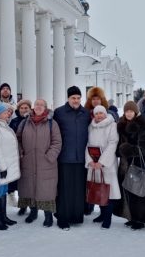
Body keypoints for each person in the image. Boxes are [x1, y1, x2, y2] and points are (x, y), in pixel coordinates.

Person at [17, 99, 62, 227]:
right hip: (28, 162)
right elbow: (18, 139)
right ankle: (33, 212)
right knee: (30, 187)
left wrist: (50, 157)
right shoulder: (25, 122)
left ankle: (48, 216)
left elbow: (57, 142)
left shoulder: (51, 123)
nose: (38, 107)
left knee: (46, 190)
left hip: (46, 163)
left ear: (46, 108)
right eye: (36, 104)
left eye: (41, 105)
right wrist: (21, 153)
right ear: (33, 107)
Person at [53, 86, 91, 230]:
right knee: (64, 190)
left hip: (82, 158)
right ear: (68, 98)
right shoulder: (59, 112)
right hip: (64, 157)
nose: (76, 100)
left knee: (79, 189)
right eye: (73, 98)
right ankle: (63, 218)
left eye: (78, 98)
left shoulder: (86, 113)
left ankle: (76, 216)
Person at [114, 101, 145, 230]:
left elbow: (144, 147)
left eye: (131, 111)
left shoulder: (142, 124)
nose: (129, 113)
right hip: (125, 164)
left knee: (138, 192)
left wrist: (125, 149)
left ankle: (139, 219)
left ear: (136, 112)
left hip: (137, 163)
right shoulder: (121, 124)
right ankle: (130, 217)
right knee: (127, 191)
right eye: (127, 111)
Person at [85, 106, 121, 229]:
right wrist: (90, 161)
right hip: (94, 165)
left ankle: (107, 218)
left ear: (105, 114)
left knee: (108, 192)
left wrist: (102, 162)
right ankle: (101, 214)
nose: (99, 115)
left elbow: (113, 144)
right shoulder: (91, 126)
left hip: (107, 164)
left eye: (101, 113)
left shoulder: (112, 125)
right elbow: (87, 144)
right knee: (98, 190)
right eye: (97, 113)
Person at [0, 103, 21, 230]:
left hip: (8, 166)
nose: (8, 114)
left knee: (3, 191)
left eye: (8, 112)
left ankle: (3, 216)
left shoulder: (4, 125)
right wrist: (2, 167)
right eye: (5, 112)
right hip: (1, 167)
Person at [9, 99, 32, 213]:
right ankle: (22, 205)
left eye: (26, 108)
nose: (24, 110)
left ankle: (30, 206)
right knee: (20, 182)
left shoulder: (33, 120)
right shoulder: (14, 121)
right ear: (18, 109)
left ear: (30, 108)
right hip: (17, 155)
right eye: (22, 108)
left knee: (28, 181)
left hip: (30, 155)